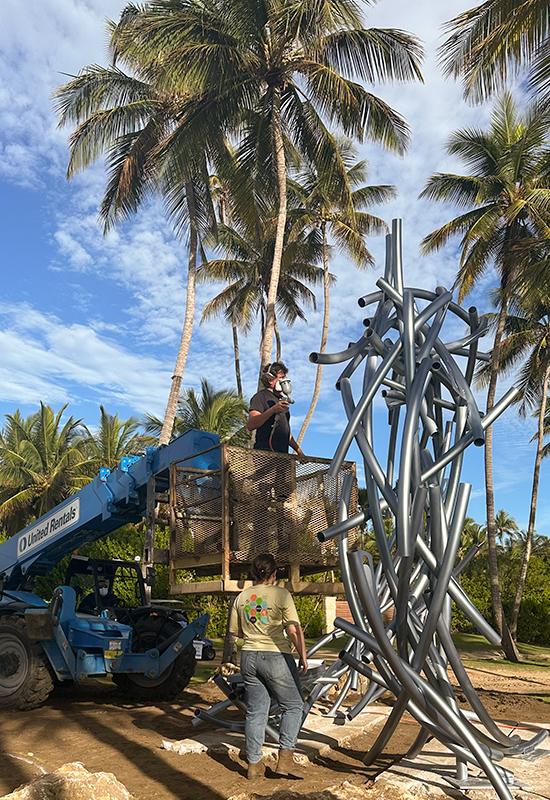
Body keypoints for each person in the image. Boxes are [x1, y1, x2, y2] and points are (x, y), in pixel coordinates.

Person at [229, 553, 308, 780]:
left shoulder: (242, 597)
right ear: (274, 573)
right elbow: (293, 630)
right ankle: (285, 762)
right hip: (275, 656)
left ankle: (254, 766)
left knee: (255, 712)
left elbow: (236, 632)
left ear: (253, 573)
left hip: (249, 657)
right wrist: (302, 656)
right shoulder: (282, 594)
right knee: (293, 706)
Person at [247, 362, 304, 456]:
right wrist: (272, 410)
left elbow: (285, 431)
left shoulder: (281, 401)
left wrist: (299, 451)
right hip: (264, 453)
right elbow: (251, 424)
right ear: (270, 380)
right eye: (281, 378)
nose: (285, 381)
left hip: (283, 455)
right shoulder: (261, 397)